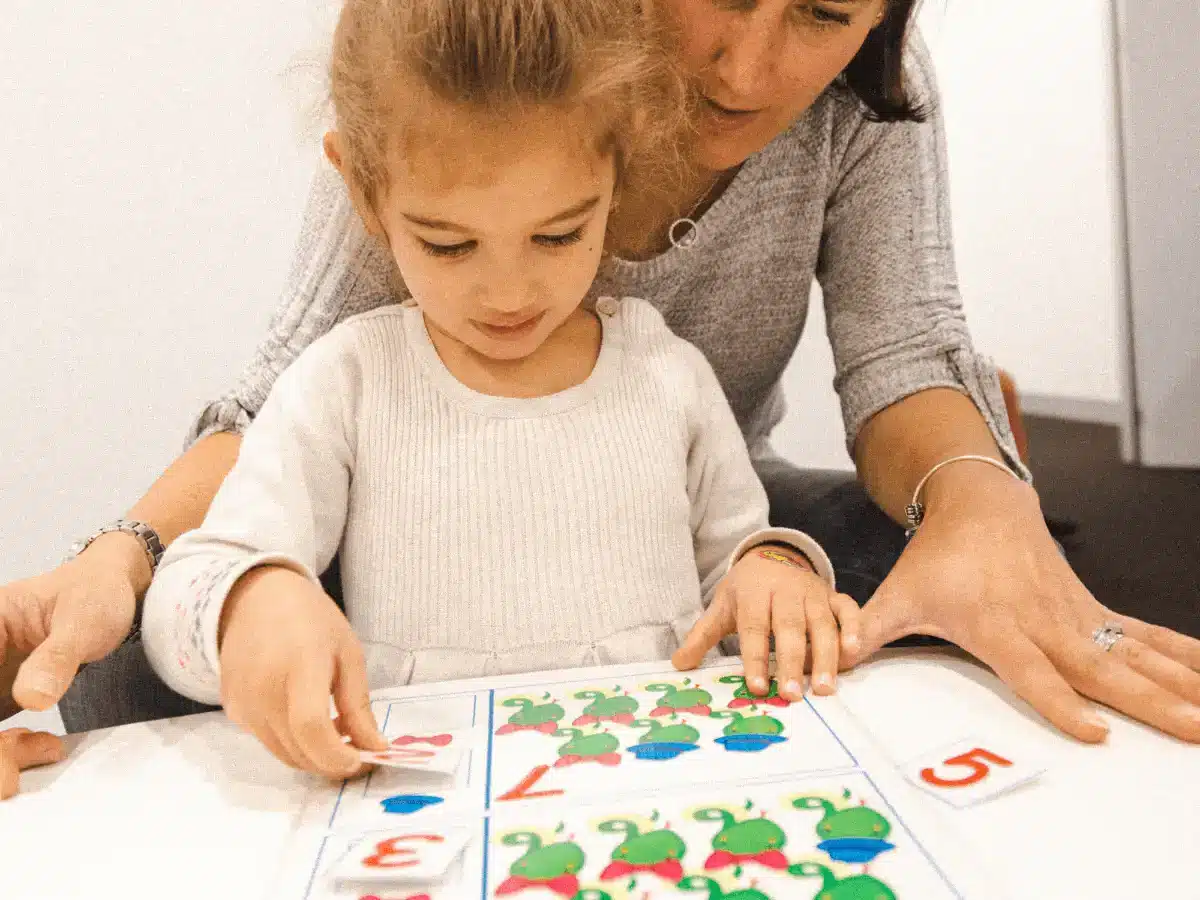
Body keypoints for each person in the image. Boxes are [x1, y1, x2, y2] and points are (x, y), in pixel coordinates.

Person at [3, 0, 1198, 796]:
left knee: (914, 579)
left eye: (825, 12)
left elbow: (903, 353)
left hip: (683, 509)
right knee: (146, 629)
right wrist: (129, 552)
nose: (748, 66)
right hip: (406, 541)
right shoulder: (478, 72)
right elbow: (281, 395)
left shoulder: (859, 112)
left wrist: (983, 512)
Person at [138, 0, 861, 778]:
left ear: (621, 175)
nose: (507, 293)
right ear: (361, 189)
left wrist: (777, 571)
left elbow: (738, 562)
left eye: (558, 235)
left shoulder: (667, 372)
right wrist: (251, 602)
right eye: (449, 245)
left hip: (656, 782)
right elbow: (185, 589)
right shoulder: (347, 382)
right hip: (425, 805)